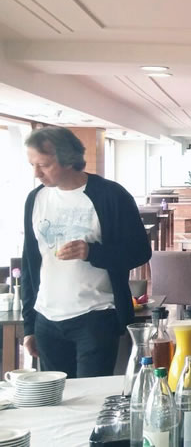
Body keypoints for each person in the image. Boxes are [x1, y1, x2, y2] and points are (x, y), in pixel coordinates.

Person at [20, 126, 152, 378]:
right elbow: (29, 265)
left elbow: (139, 252)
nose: (37, 173)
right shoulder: (35, 199)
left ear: (69, 160)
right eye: (32, 165)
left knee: (91, 397)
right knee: (56, 398)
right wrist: (29, 326)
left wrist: (92, 252)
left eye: (44, 165)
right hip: (46, 318)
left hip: (96, 316)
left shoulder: (111, 195)